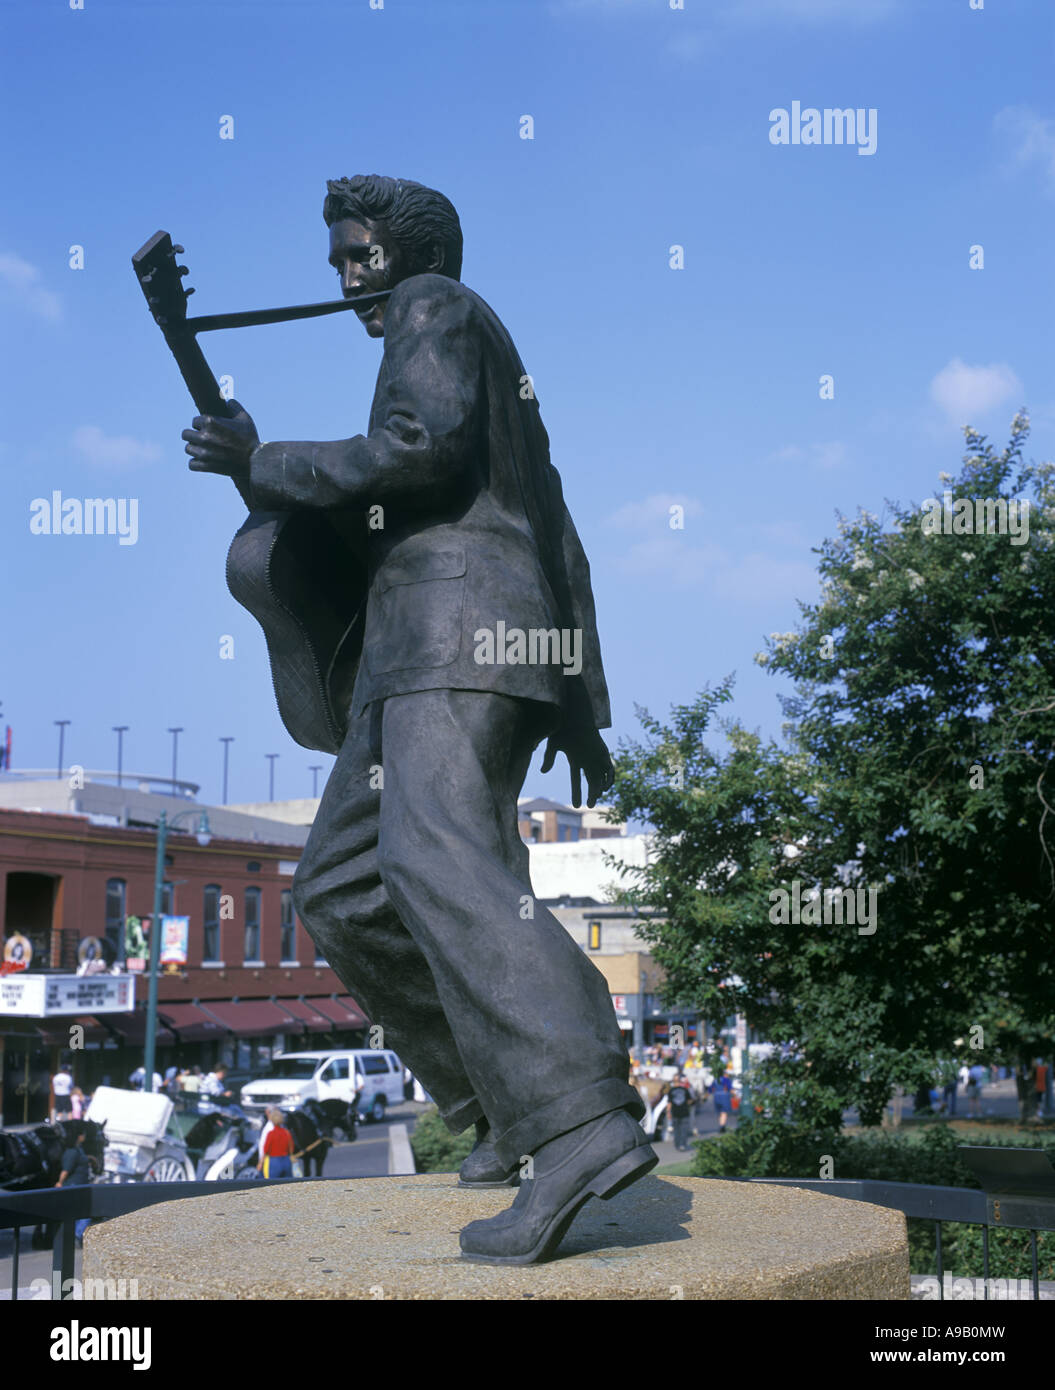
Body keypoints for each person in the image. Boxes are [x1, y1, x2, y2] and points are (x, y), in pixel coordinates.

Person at [182, 173, 652, 1264]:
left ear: (414, 255)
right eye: (339, 263)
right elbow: (553, 517)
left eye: (362, 259)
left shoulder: (437, 305)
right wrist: (578, 694)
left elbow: (414, 450)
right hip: (410, 658)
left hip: (460, 635)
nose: (351, 283)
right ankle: (498, 1101)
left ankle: (578, 1121)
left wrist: (264, 462)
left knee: (443, 863)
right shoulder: (464, 343)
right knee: (341, 887)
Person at [55, 1128, 94, 1244]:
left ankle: (76, 1234)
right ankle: (77, 1234)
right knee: (85, 1211)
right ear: (79, 1136)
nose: (85, 1136)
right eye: (83, 1134)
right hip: (74, 1185)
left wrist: (90, 1159)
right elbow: (66, 1170)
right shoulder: (72, 1152)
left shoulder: (79, 1150)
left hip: (80, 1185)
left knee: (80, 1211)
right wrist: (60, 1183)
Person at [261, 1109, 296, 1180]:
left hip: (274, 1162)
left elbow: (266, 1149)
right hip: (286, 1161)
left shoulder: (271, 1134)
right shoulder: (287, 1132)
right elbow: (291, 1147)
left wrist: (261, 1163)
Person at [668, 1071, 694, 1151]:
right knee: (684, 1130)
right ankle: (682, 1145)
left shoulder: (671, 1091)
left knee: (676, 1130)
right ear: (680, 1081)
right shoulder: (685, 1090)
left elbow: (669, 1103)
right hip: (684, 1112)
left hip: (675, 1112)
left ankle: (677, 1145)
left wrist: (668, 1113)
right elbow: (690, 1101)